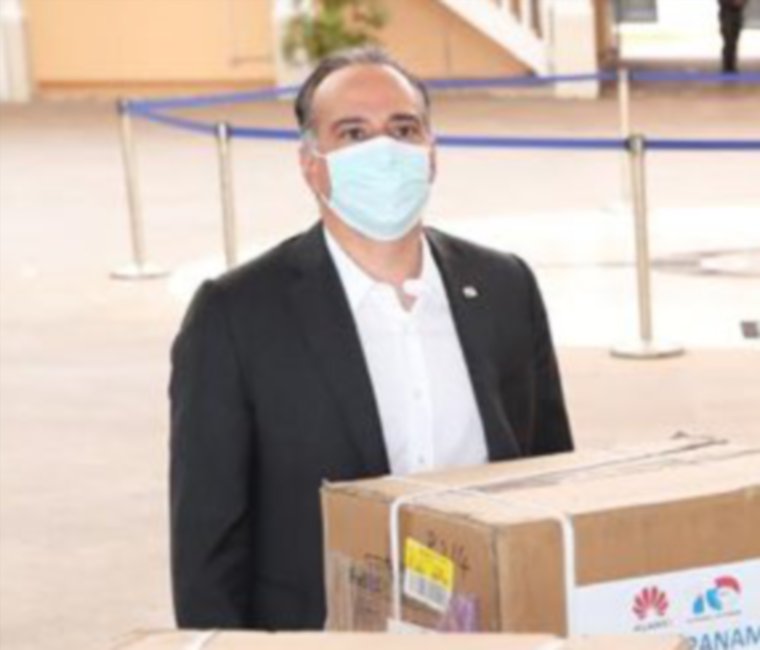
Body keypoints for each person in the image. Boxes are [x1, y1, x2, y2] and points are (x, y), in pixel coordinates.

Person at [169, 47, 572, 631]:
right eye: (353, 133)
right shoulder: (235, 315)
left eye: (403, 129)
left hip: (491, 628)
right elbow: (208, 546)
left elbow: (552, 480)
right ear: (312, 164)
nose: (384, 150)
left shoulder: (505, 286)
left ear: (431, 153)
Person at [719, 0, 748, 73]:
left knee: (734, 41)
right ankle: (727, 66)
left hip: (737, 15)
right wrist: (732, 3)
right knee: (729, 41)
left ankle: (731, 65)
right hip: (727, 14)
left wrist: (742, 2)